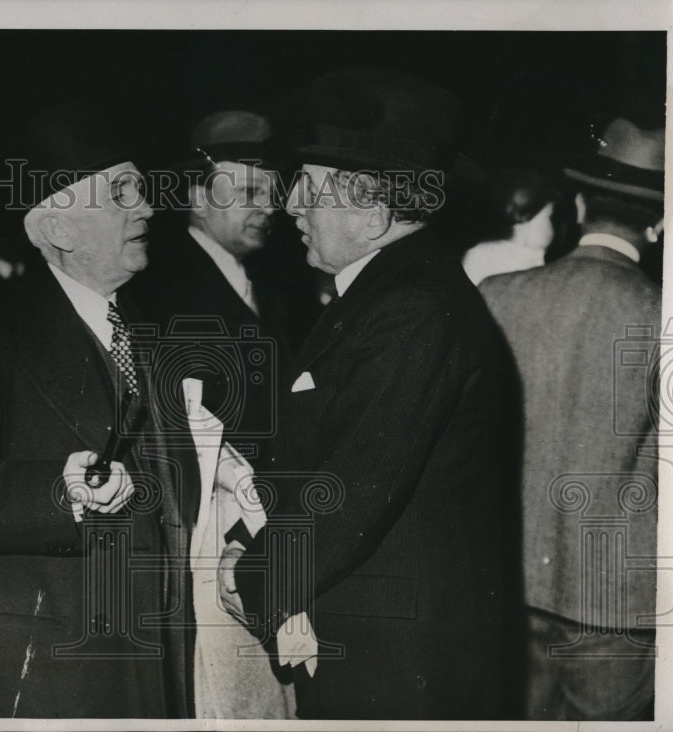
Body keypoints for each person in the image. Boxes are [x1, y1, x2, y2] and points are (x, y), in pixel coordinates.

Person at [220, 68, 514, 720]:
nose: (292, 205)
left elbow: (353, 485)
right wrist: (248, 533)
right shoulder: (388, 292)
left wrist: (249, 573)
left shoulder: (412, 309)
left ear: (375, 213)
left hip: (401, 657)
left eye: (311, 190)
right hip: (372, 633)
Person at [0, 102, 200, 718]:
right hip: (32, 669)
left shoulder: (150, 329)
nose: (145, 207)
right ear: (59, 229)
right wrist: (59, 494)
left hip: (146, 663)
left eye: (140, 190)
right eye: (120, 193)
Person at [479, 117, 664, 721]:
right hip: (618, 608)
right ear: (659, 224)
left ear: (578, 205)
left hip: (512, 587)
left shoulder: (497, 295)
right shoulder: (668, 316)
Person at [128, 111, 297, 718]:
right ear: (197, 196)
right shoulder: (163, 291)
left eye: (271, 193)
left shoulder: (269, 284)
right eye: (247, 192)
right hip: (211, 546)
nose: (268, 206)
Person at [462, 168, 558, 284]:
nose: (553, 226)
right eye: (550, 217)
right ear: (524, 218)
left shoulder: (542, 260)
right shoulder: (482, 256)